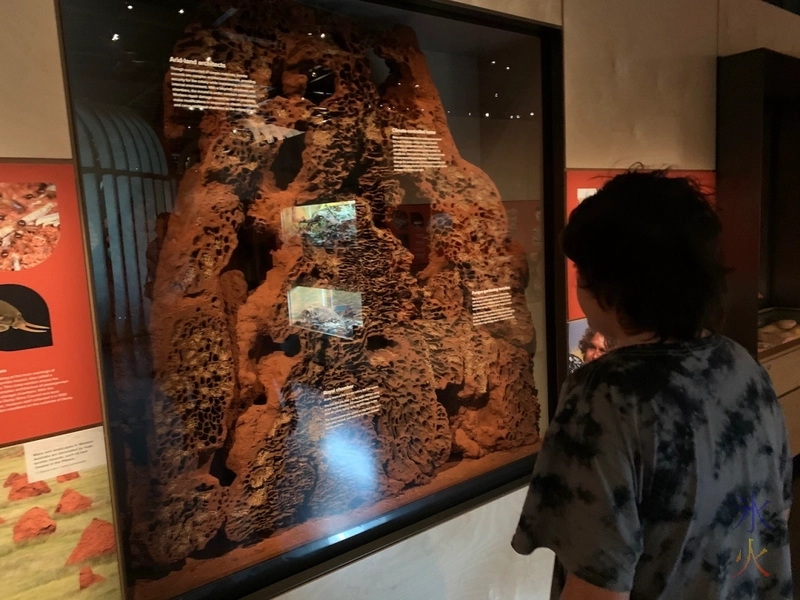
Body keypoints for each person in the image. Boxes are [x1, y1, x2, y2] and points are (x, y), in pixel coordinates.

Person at [512, 170, 792, 599]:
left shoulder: (607, 394)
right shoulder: (739, 364)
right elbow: (777, 510)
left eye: (583, 270)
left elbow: (597, 584)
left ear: (613, 283)